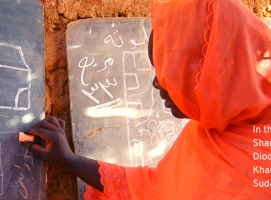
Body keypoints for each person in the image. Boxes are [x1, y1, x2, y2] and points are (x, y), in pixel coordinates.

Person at [24, 0, 271, 199]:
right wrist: (70, 161)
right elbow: (155, 187)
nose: (156, 83)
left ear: (205, 77)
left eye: (167, 73)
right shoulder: (208, 133)